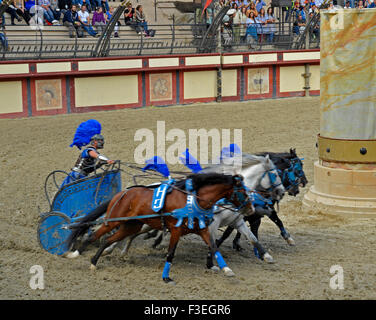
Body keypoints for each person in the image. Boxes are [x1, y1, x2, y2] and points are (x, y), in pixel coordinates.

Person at [61, 120, 115, 188]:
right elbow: (96, 156)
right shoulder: (89, 150)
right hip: (76, 176)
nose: (102, 142)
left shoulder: (94, 152)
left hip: (83, 176)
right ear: (94, 142)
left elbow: (88, 170)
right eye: (100, 140)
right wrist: (107, 160)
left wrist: (100, 164)